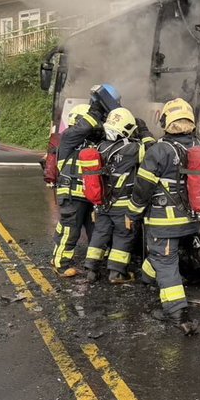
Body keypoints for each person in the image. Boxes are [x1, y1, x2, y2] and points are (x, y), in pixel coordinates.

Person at [127, 98, 200, 335]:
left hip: (164, 221)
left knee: (165, 261)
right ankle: (147, 278)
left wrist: (132, 212)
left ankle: (176, 314)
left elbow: (142, 188)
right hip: (190, 220)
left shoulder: (159, 150)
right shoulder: (198, 146)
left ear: (165, 122)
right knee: (161, 257)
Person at [51, 84, 121, 277]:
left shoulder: (95, 143)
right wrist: (96, 110)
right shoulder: (68, 139)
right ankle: (61, 264)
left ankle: (95, 263)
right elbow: (83, 127)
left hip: (89, 196)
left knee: (95, 231)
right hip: (72, 193)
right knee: (70, 230)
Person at [83, 107, 144, 284]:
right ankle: (116, 273)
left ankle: (91, 269)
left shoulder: (100, 147)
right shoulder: (132, 148)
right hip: (122, 205)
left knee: (100, 233)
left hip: (102, 204)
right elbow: (152, 151)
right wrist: (145, 132)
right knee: (123, 236)